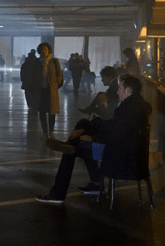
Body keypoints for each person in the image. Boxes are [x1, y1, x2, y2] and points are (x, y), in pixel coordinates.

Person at [36, 74, 151, 204]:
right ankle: (95, 182)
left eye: (120, 88)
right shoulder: (134, 104)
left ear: (128, 90)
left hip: (117, 157)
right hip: (121, 152)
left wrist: (93, 138)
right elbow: (115, 127)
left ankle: (57, 193)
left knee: (73, 151)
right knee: (85, 124)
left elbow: (117, 134)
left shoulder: (130, 109)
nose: (117, 91)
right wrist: (90, 129)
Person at [33, 42, 63, 139]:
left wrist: (55, 84)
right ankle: (45, 133)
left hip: (51, 91)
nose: (43, 51)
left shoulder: (54, 61)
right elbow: (33, 76)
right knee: (42, 113)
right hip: (41, 91)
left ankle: (51, 131)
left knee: (51, 112)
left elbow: (59, 74)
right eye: (42, 49)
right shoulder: (37, 62)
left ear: (49, 50)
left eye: (45, 49)